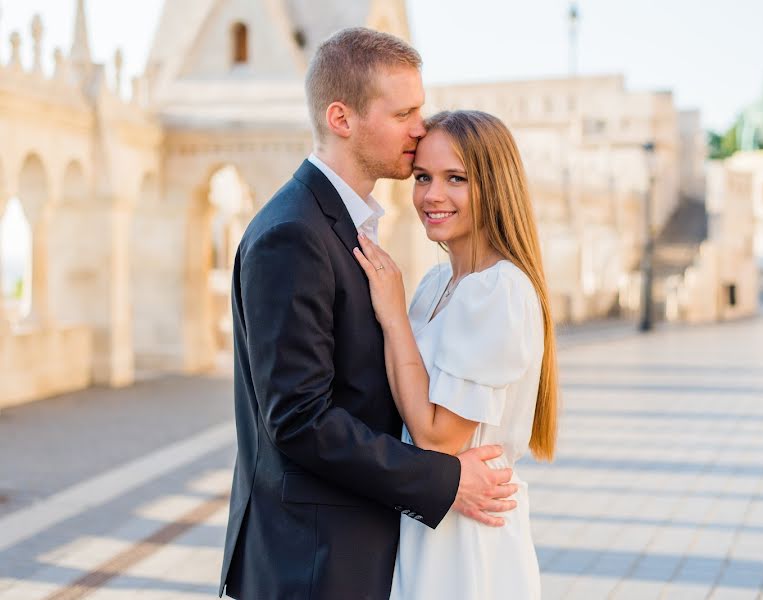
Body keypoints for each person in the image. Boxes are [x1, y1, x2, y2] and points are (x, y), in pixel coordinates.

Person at [219, 30, 518, 600]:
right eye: (403, 112)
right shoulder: (293, 234)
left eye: (420, 109)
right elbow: (300, 419)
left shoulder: (338, 223)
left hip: (349, 548)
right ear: (341, 118)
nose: (420, 128)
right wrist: (446, 481)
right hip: (314, 560)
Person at [354, 109, 559, 600]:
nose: (431, 195)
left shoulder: (499, 290)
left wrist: (392, 316)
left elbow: (437, 437)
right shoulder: (437, 283)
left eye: (456, 179)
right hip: (432, 522)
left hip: (468, 543)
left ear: (494, 184)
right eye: (423, 176)